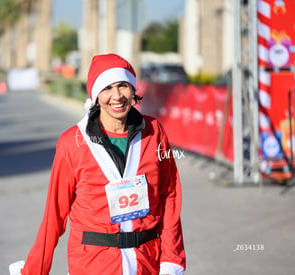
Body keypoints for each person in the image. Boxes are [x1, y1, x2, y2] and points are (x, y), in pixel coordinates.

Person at [11, 53, 186, 275]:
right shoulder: (72, 143)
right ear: (96, 95)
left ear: (133, 89)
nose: (117, 96)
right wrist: (34, 270)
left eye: (123, 86)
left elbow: (169, 196)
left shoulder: (155, 132)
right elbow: (54, 214)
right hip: (93, 264)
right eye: (107, 88)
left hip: (146, 262)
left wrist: (172, 261)